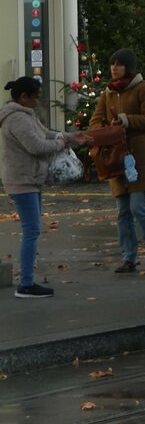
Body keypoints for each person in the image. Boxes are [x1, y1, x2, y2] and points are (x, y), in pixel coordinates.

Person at [1, 76, 90, 298]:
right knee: (31, 230)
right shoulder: (17, 119)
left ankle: (27, 281)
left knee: (33, 229)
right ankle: (26, 284)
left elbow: (47, 133)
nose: (38, 101)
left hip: (29, 179)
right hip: (22, 180)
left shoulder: (26, 115)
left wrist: (70, 137)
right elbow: (37, 146)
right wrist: (61, 143)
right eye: (35, 97)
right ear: (24, 97)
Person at [88, 48, 145, 273]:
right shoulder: (108, 93)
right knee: (123, 211)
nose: (114, 68)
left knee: (138, 207)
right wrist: (105, 131)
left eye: (119, 64)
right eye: (112, 64)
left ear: (128, 67)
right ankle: (129, 258)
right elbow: (96, 120)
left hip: (140, 159)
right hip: (116, 161)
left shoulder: (143, 88)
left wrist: (126, 120)